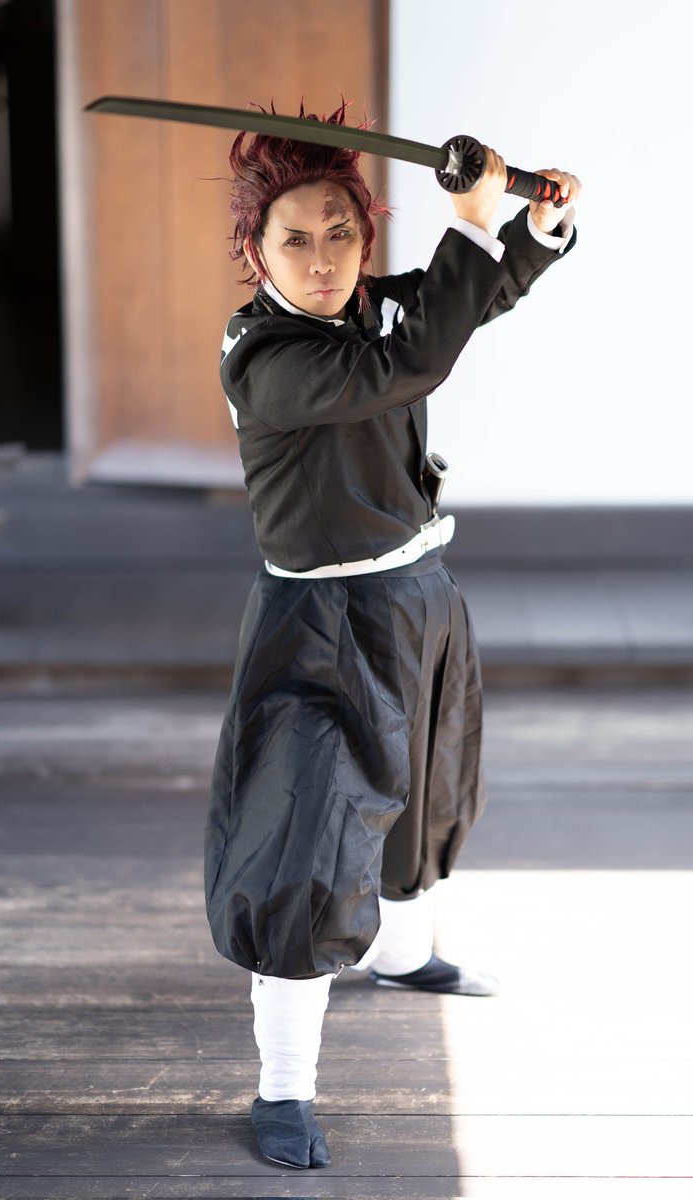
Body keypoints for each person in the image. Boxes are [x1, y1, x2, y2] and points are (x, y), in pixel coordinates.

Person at [204, 99, 581, 1170]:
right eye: (295, 240)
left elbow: (468, 302)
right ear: (255, 251)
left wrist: (534, 223)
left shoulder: (374, 307)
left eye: (340, 234)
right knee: (306, 843)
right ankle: (283, 1087)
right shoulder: (262, 356)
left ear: (364, 239)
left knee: (425, 791)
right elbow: (408, 364)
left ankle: (406, 954)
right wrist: (468, 221)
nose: (322, 260)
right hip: (316, 626)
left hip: (417, 595)